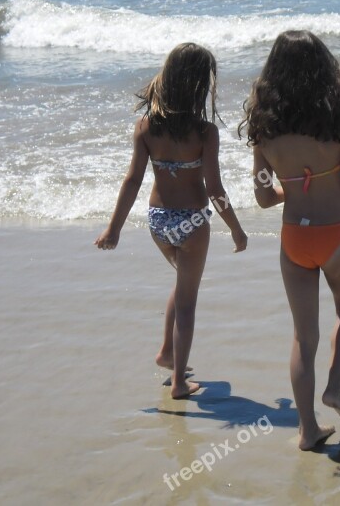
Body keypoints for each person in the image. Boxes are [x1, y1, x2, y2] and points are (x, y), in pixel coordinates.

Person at [240, 30, 340, 450]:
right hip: (335, 235)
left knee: (302, 337)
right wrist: (337, 176)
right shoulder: (338, 124)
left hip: (294, 238)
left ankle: (307, 431)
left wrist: (291, 189)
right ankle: (334, 387)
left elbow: (262, 197)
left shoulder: (263, 134)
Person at [96, 43, 248, 399]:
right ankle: (179, 382)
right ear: (198, 86)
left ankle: (167, 352)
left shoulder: (146, 126)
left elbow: (132, 180)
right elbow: (215, 188)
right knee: (188, 300)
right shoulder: (205, 132)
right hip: (192, 223)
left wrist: (114, 228)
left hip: (158, 220)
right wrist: (236, 229)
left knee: (183, 284)